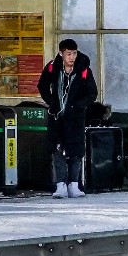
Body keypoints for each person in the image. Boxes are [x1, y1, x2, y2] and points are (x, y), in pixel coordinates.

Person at [37, 38, 96, 199]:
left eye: (74, 53)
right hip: (57, 116)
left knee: (76, 151)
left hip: (75, 117)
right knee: (57, 149)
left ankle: (74, 184)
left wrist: (78, 105)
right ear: (61, 54)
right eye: (68, 54)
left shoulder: (84, 69)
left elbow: (92, 93)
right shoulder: (52, 67)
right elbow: (42, 85)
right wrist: (51, 102)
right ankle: (60, 184)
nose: (72, 57)